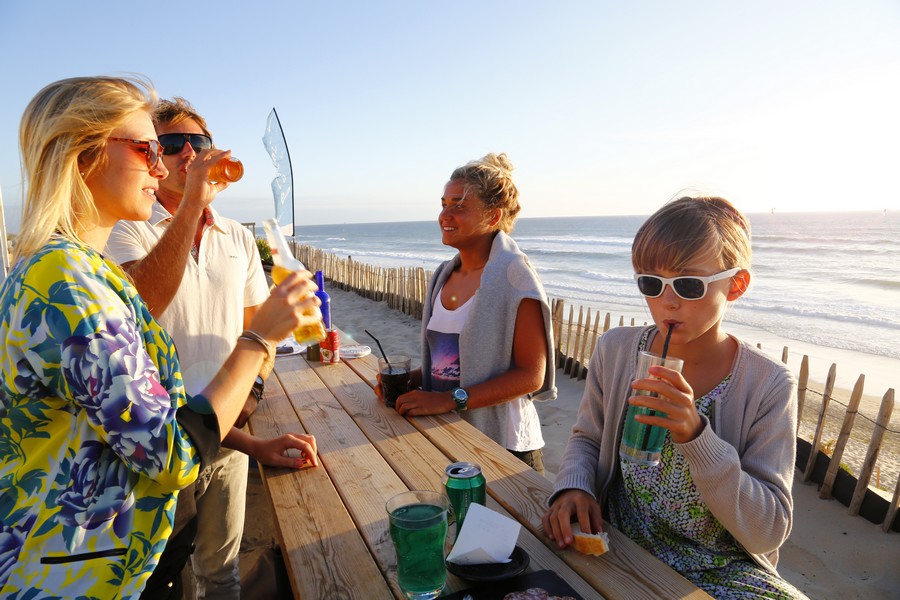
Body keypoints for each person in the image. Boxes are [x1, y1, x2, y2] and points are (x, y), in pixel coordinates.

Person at [0, 76, 319, 599]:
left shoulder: (82, 272)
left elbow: (155, 406)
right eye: (150, 148)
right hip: (69, 577)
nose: (163, 164)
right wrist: (258, 340)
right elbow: (169, 451)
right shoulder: (66, 283)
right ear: (84, 156)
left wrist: (251, 425)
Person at [543, 196, 807, 598]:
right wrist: (574, 487)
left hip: (721, 565)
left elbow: (768, 529)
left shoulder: (768, 384)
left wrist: (697, 436)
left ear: (735, 285)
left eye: (689, 284)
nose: (667, 300)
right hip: (620, 539)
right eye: (650, 283)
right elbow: (587, 438)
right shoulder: (616, 351)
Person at [105, 97, 300, 599]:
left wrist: (252, 390)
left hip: (228, 426)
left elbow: (258, 328)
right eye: (172, 145)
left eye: (200, 143)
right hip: (157, 439)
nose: (189, 154)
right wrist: (191, 203)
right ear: (153, 156)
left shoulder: (236, 235)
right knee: (159, 576)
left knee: (221, 569)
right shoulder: (125, 229)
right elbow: (140, 300)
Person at [381, 153, 556, 475]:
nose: (444, 215)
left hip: (505, 445)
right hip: (452, 432)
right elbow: (449, 361)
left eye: (459, 206)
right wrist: (411, 381)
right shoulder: (444, 274)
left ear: (493, 217)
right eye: (444, 203)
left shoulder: (514, 276)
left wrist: (449, 400)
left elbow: (532, 375)